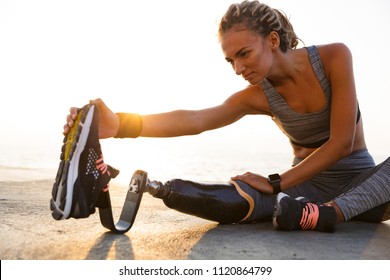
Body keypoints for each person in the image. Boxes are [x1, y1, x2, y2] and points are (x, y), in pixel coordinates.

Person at [63, 0, 390, 232]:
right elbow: (196, 120)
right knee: (242, 200)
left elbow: (342, 142)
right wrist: (120, 124)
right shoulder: (257, 95)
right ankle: (157, 188)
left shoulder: (334, 57)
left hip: (366, 188)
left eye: (244, 54)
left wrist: (276, 182)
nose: (237, 68)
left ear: (272, 40)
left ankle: (329, 214)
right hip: (302, 195)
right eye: (230, 60)